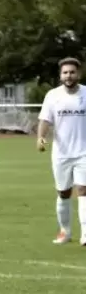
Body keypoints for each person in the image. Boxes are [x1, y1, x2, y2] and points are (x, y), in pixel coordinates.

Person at [37, 57, 86, 245]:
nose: (69, 76)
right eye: (65, 72)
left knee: (83, 190)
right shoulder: (53, 96)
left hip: (84, 152)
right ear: (60, 75)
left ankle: (85, 233)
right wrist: (41, 138)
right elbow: (45, 120)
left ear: (78, 74)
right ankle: (65, 232)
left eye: (72, 72)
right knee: (63, 193)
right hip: (61, 153)